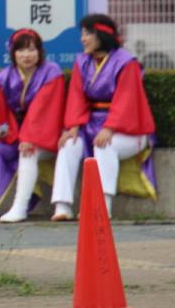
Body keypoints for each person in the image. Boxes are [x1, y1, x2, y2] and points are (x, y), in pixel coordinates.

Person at [51, 14, 157, 221]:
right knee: (68, 145)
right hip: (90, 125)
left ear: (101, 35)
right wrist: (73, 126)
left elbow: (127, 100)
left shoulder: (126, 62)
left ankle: (102, 207)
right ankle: (62, 206)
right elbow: (76, 97)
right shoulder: (82, 61)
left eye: (88, 34)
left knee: (104, 145)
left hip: (129, 130)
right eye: (82, 34)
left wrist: (110, 127)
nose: (83, 39)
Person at [0, 29, 66, 223]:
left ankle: (20, 207)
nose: (26, 55)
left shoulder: (51, 73)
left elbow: (44, 111)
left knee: (28, 152)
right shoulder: (4, 77)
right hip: (14, 134)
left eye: (31, 49)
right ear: (13, 53)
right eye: (21, 50)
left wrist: (30, 138)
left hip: (43, 135)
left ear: (40, 51)